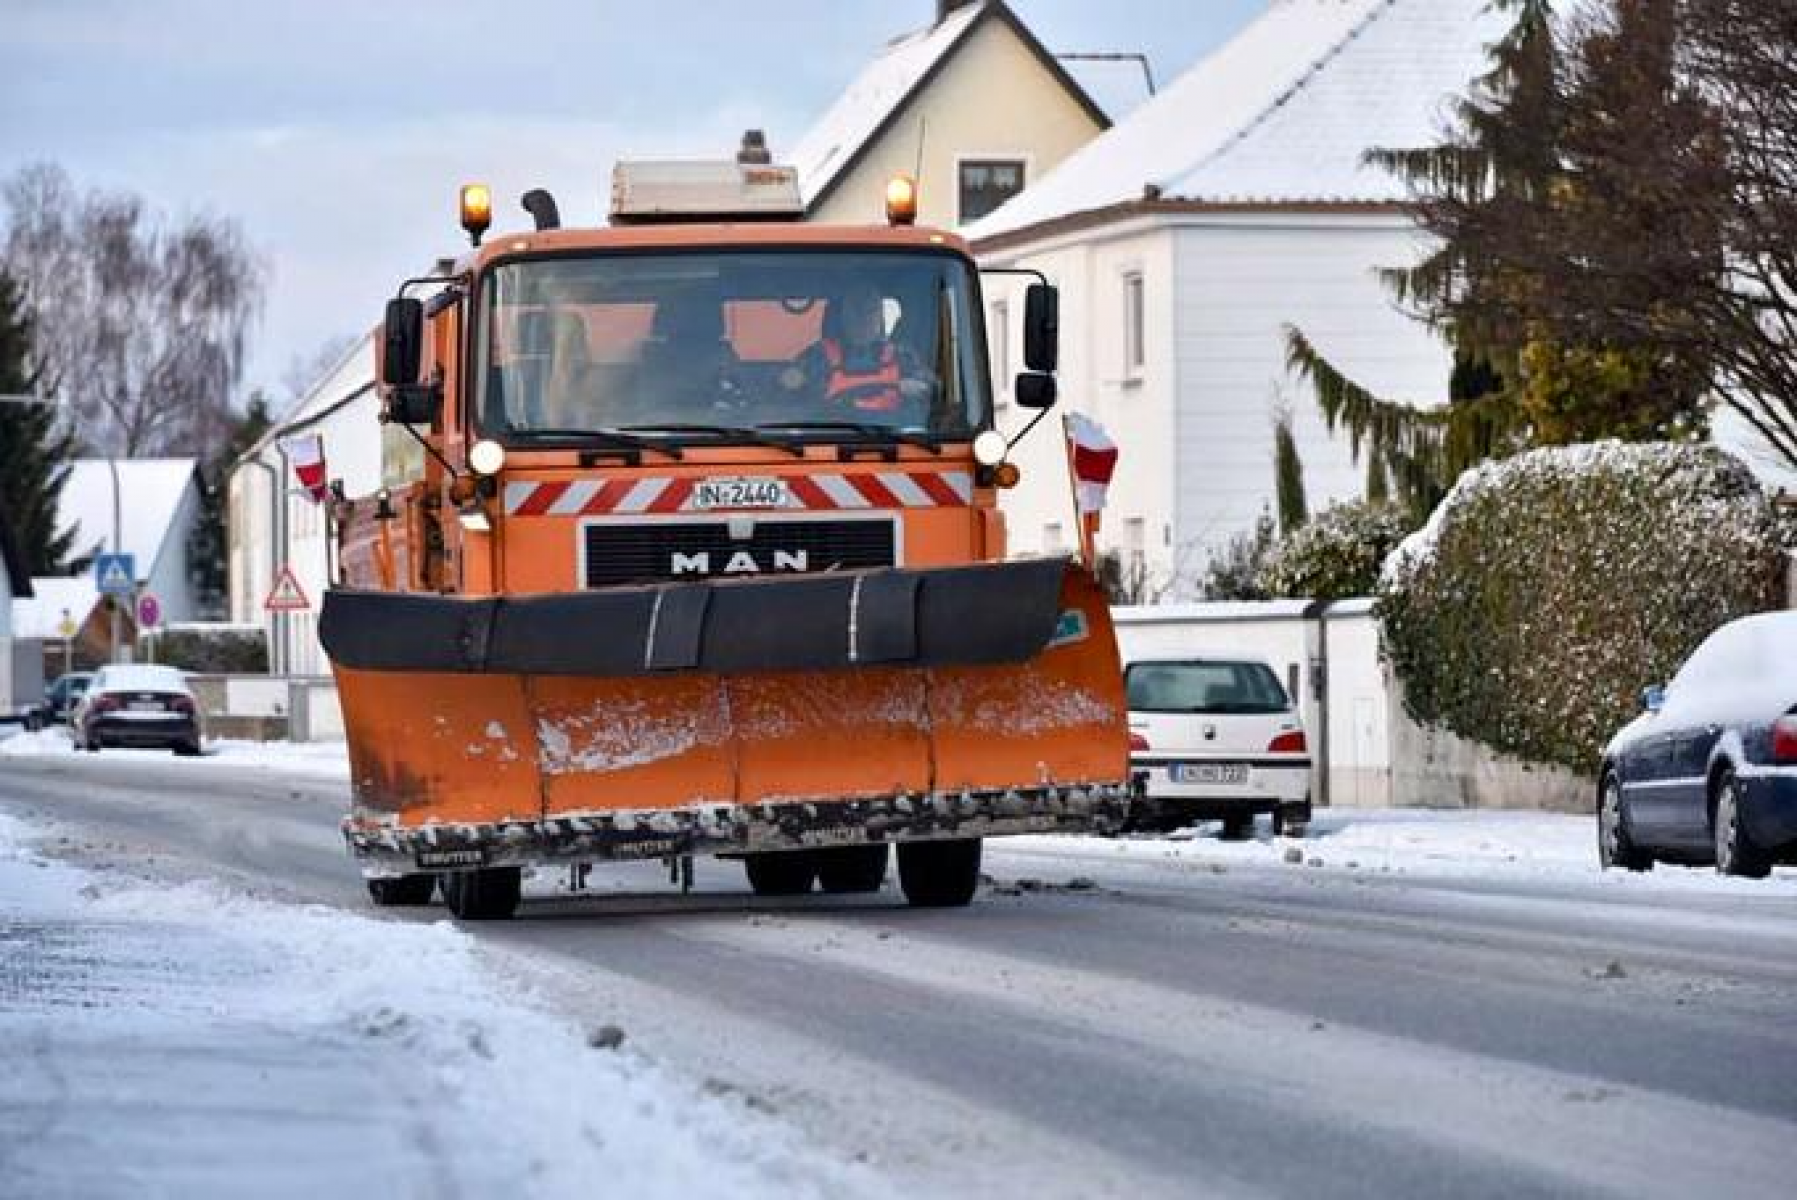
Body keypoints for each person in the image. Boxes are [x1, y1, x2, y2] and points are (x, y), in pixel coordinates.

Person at [782, 281, 934, 418]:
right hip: (830, 437)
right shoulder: (819, 355)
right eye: (856, 309)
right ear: (841, 315)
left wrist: (915, 387)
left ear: (880, 317)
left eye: (870, 310)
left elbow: (932, 389)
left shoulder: (901, 356)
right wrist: (791, 379)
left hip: (893, 439)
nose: (863, 318)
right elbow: (785, 386)